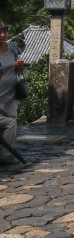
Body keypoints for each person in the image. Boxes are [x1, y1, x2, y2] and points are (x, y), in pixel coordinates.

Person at [0, 21, 25, 164]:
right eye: (0, 31)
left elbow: (17, 68)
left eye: (5, 31)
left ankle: (7, 151)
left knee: (12, 121)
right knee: (5, 122)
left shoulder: (12, 49)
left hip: (11, 92)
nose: (3, 34)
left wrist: (19, 66)